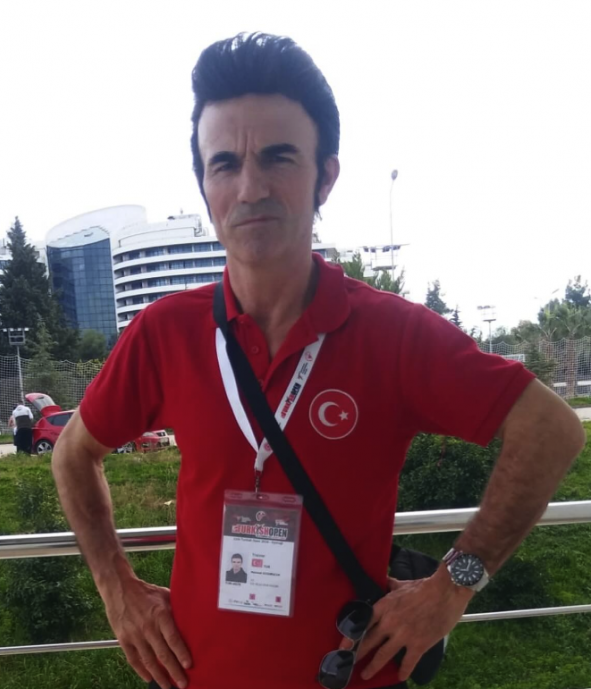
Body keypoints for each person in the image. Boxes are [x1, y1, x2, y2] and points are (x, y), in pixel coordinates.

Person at [52, 33, 585, 689]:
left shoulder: (392, 334)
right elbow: (73, 452)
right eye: (224, 164)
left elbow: (552, 429)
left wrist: (454, 585)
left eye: (278, 158)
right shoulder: (166, 332)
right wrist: (117, 588)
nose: (250, 188)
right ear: (205, 185)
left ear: (325, 176)